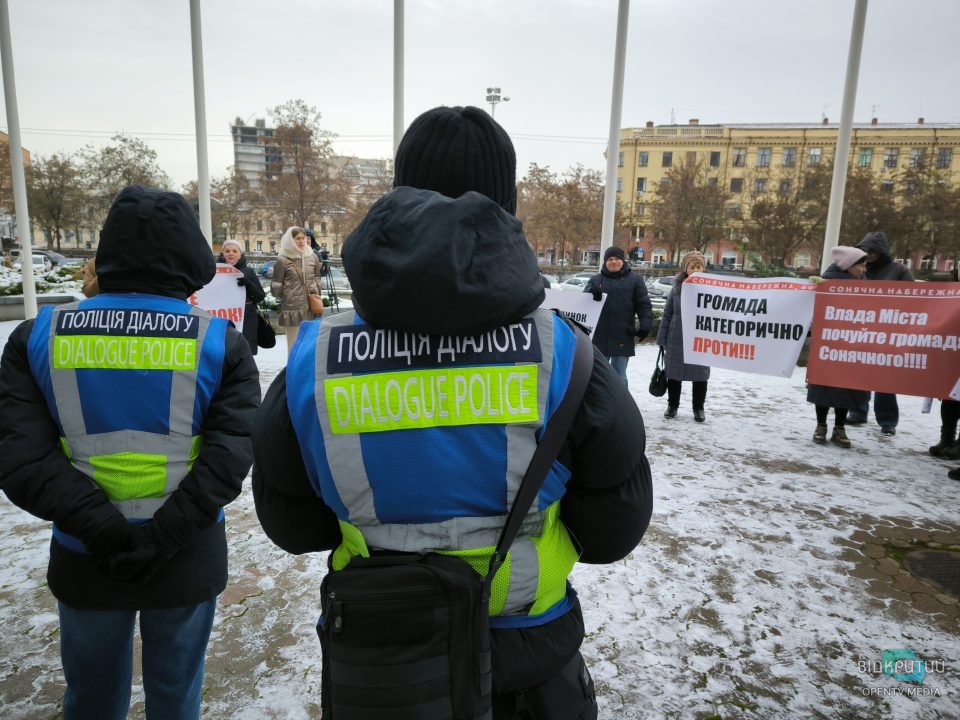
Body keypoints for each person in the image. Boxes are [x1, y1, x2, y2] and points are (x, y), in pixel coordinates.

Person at [252, 105, 653, 719]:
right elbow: (613, 529)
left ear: (397, 196)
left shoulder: (315, 360)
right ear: (507, 208)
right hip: (527, 659)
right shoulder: (566, 355)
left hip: (384, 661)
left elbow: (292, 525)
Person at [0, 185, 260, 719]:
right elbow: (229, 457)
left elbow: (21, 458)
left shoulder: (37, 336)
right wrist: (162, 536)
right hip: (186, 547)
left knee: (91, 698)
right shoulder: (218, 342)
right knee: (176, 697)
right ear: (191, 254)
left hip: (83, 550)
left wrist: (101, 529)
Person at [848, 231, 914, 434]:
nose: (868, 254)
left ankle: (887, 421)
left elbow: (914, 299)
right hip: (862, 329)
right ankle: (858, 411)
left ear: (881, 251)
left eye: (872, 250)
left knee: (884, 377)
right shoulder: (859, 270)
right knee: (859, 372)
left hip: (888, 332)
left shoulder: (899, 271)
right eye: (865, 250)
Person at [806, 246, 871, 448]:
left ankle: (839, 427)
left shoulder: (864, 285)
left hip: (852, 346)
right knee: (824, 386)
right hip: (828, 344)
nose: (864, 269)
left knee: (847, 388)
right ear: (849, 265)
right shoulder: (827, 284)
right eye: (861, 265)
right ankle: (822, 426)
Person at [583, 245, 652, 386]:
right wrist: (591, 291)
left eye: (617, 259)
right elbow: (583, 300)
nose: (613, 262)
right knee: (597, 377)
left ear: (623, 260)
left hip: (623, 335)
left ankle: (621, 406)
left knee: (619, 377)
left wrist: (645, 325)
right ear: (605, 262)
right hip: (599, 336)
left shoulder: (635, 280)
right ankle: (599, 405)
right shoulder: (596, 280)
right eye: (610, 259)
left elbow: (643, 304)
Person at [656, 251, 710, 422]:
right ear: (686, 269)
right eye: (692, 266)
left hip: (701, 338)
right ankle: (672, 406)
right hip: (677, 337)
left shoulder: (712, 289)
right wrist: (662, 337)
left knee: (700, 375)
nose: (696, 270)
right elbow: (667, 313)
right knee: (674, 374)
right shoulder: (677, 287)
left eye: (699, 266)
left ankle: (698, 408)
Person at [270, 226, 324, 355]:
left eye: (303, 238)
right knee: (293, 345)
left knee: (309, 344)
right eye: (297, 238)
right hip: (292, 307)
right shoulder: (282, 259)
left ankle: (307, 372)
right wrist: (287, 293)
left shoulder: (312, 257)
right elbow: (277, 284)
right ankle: (292, 371)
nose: (301, 241)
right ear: (290, 240)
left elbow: (317, 277)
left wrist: (315, 289)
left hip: (310, 306)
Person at [218, 238, 265, 356]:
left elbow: (259, 296)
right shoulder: (215, 272)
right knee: (224, 351)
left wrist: (248, 284)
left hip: (247, 318)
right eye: (227, 251)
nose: (231, 253)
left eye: (235, 251)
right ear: (223, 254)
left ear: (240, 254)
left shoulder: (248, 272)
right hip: (223, 317)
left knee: (246, 352)